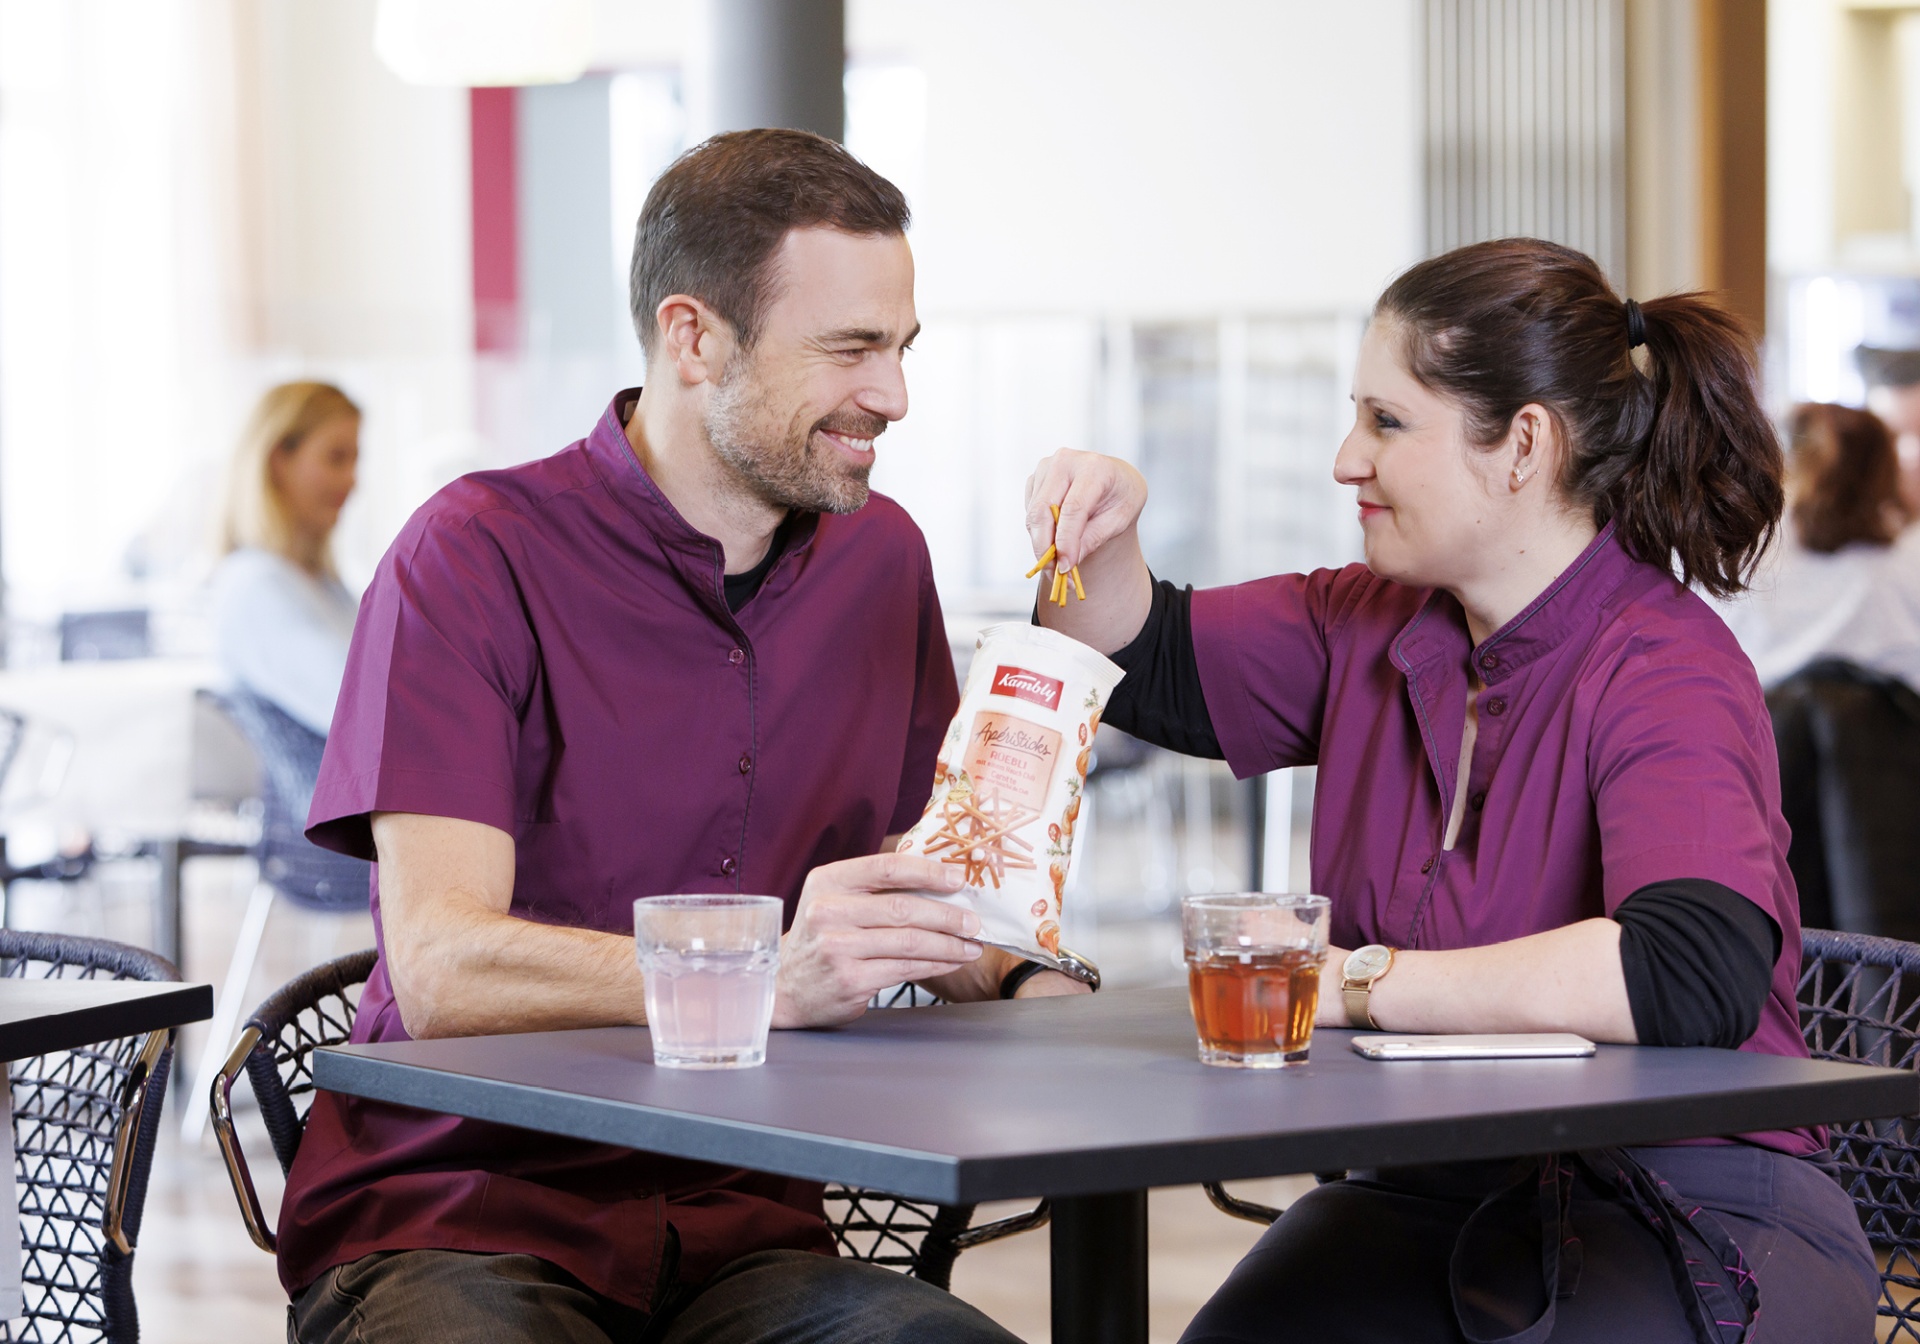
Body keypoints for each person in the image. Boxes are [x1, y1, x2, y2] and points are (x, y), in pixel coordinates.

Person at [277, 130, 1076, 1344]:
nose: (895, 398)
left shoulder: (883, 560)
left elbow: (913, 887)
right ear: (694, 337)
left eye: (902, 350)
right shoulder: (473, 555)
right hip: (461, 1214)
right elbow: (441, 969)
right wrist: (765, 978)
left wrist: (1024, 975)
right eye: (851, 350)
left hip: (745, 1228)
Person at [1028, 239, 1876, 1342]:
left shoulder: (1666, 665)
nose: (1346, 458)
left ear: (1523, 443)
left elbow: (1687, 971)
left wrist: (1354, 985)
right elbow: (1143, 662)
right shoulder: (1363, 620)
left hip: (1678, 1198)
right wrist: (1107, 530)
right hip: (1434, 1194)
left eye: (1387, 422)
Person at [1717, 401, 1920, 691]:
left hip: (1765, 723)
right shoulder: (1903, 561)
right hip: (1883, 729)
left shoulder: (1744, 548)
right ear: (1886, 470)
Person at [210, 381, 362, 734]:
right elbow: (364, 708)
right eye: (336, 458)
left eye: (356, 459)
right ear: (278, 461)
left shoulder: (320, 583)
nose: (352, 480)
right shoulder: (255, 585)